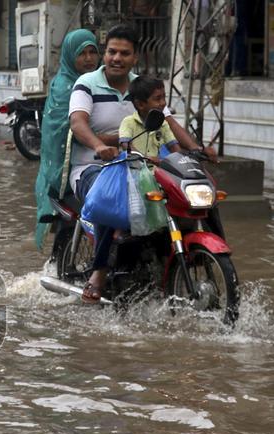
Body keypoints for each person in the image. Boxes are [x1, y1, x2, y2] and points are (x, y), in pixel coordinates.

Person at [69, 25, 214, 304]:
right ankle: (99, 271)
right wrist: (100, 147)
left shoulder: (145, 87)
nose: (116, 58)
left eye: (124, 53)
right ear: (104, 54)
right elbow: (77, 123)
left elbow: (170, 124)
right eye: (111, 52)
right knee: (110, 198)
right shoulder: (86, 83)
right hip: (93, 166)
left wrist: (196, 149)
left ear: (135, 57)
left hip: (144, 166)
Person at [32, 28, 99, 249]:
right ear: (71, 56)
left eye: (93, 52)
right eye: (82, 53)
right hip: (73, 167)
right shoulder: (64, 87)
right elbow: (63, 130)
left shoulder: (102, 82)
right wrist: (107, 140)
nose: (88, 59)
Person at [119, 76, 181, 160]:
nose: (163, 103)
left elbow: (174, 147)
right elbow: (126, 144)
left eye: (164, 97)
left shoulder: (163, 123)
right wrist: (145, 159)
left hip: (155, 169)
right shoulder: (128, 122)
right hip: (133, 168)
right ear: (140, 104)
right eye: (158, 99)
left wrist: (182, 159)